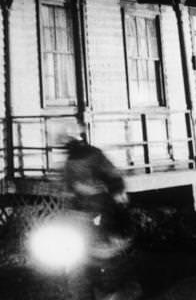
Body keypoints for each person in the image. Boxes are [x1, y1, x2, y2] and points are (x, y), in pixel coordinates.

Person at [59, 121, 140, 300]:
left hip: (98, 213)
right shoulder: (69, 163)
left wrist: (117, 191)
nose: (69, 144)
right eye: (67, 141)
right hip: (77, 216)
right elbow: (68, 188)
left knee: (103, 257)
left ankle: (113, 291)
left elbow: (112, 175)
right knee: (75, 263)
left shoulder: (94, 155)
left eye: (72, 140)